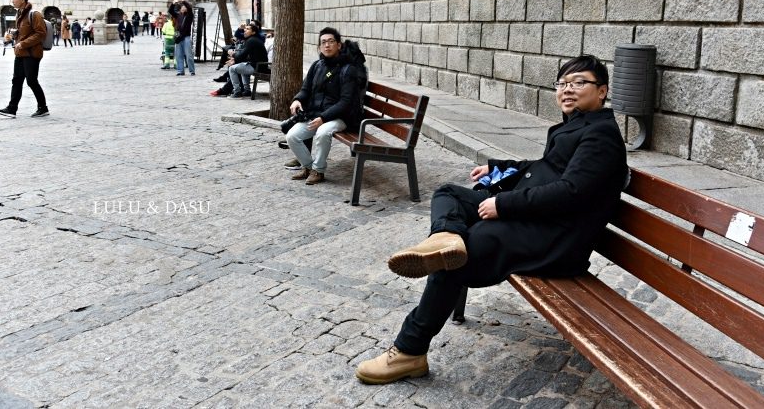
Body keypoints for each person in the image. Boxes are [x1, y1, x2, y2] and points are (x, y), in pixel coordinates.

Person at [354, 55, 629, 385]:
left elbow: (571, 192)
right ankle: (445, 238)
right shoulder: (580, 125)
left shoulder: (601, 136)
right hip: (540, 220)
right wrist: (499, 168)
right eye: (562, 83)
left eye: (578, 82)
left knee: (457, 257)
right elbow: (547, 167)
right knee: (449, 194)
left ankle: (409, 352)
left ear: (602, 91)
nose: (568, 89)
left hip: (556, 238)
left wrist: (504, 204)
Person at [284, 27, 359, 186]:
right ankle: (309, 167)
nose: (327, 45)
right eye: (323, 42)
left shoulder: (348, 69)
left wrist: (323, 118)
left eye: (331, 41)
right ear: (319, 47)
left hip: (340, 117)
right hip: (316, 114)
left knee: (323, 132)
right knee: (292, 136)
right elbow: (305, 89)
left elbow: (345, 102)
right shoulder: (317, 66)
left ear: (339, 45)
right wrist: (297, 99)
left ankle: (318, 171)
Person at [0, 0, 50, 118]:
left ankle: (43, 108)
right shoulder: (20, 14)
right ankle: (11, 108)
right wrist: (13, 35)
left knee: (31, 81)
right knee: (17, 80)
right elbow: (24, 32)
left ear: (22, 0)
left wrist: (23, 43)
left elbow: (40, 34)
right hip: (20, 52)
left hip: (32, 53)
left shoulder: (35, 14)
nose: (12, 1)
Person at [226, 22, 268, 98]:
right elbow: (247, 57)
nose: (245, 30)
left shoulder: (251, 41)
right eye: (245, 29)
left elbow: (242, 55)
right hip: (259, 65)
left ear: (253, 32)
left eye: (248, 29)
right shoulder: (252, 39)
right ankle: (247, 90)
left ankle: (237, 92)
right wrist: (235, 60)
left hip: (258, 67)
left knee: (232, 69)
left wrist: (232, 54)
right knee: (242, 66)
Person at [168, 0, 194, 76]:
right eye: (182, 7)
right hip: (178, 38)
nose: (184, 8)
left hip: (186, 37)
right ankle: (180, 71)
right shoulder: (178, 15)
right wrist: (173, 3)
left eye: (184, 7)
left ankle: (191, 70)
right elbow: (170, 11)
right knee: (179, 55)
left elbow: (189, 8)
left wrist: (183, 1)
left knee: (189, 55)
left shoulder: (189, 15)